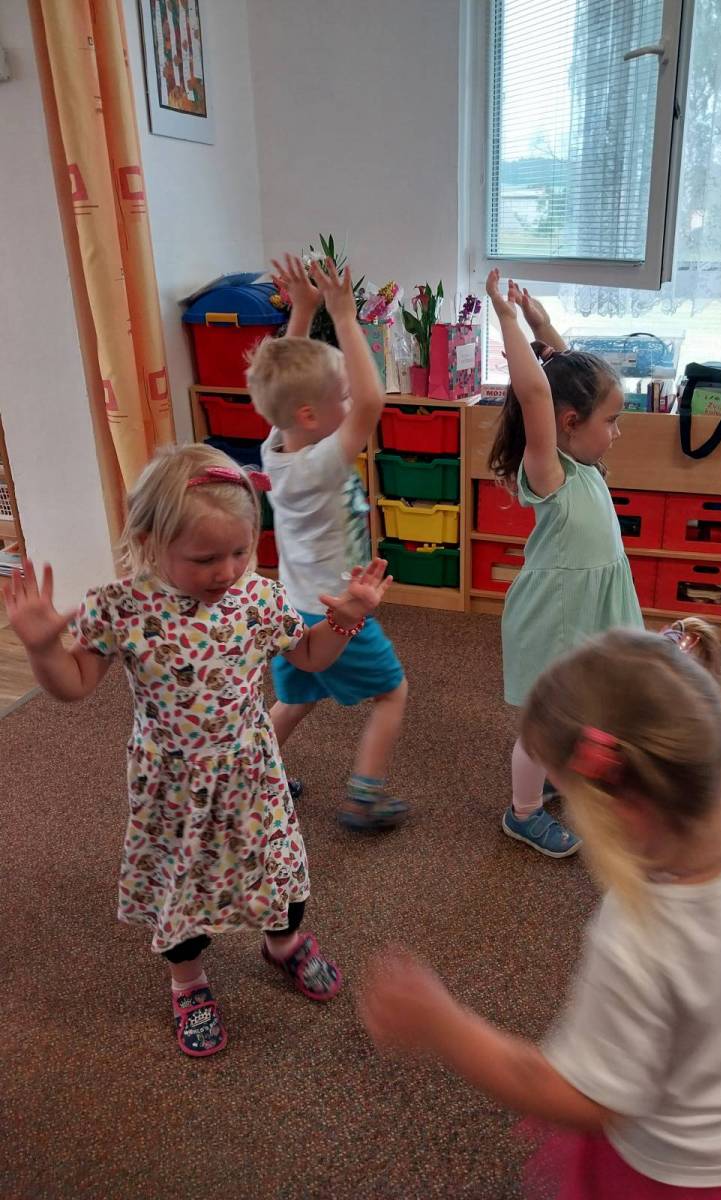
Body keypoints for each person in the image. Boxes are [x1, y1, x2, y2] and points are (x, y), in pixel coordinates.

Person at [359, 633, 721, 1197]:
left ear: (619, 811)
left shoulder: (637, 935)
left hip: (688, 1168)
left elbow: (584, 1098)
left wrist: (444, 1026)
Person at [2, 444, 391, 1057]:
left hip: (253, 771)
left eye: (240, 551)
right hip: (173, 783)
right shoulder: (122, 606)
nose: (226, 570)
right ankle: (187, 980)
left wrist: (346, 620)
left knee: (281, 874)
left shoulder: (259, 599)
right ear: (151, 541)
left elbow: (311, 656)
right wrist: (43, 649)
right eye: (204, 558)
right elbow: (73, 686)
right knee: (180, 890)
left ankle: (283, 945)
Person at [486, 269, 642, 857]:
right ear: (570, 423)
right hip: (555, 615)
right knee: (546, 721)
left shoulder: (584, 462)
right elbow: (536, 393)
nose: (617, 432)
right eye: (611, 421)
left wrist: (539, 319)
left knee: (581, 706)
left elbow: (563, 369)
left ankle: (553, 771)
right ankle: (523, 812)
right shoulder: (550, 470)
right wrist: (505, 317)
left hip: (589, 608)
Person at [249, 254, 408, 831]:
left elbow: (281, 380)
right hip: (335, 612)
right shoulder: (319, 464)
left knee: (296, 698)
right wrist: (342, 313)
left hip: (292, 607)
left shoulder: (277, 446)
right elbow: (371, 403)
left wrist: (302, 310)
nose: (349, 403)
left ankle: (250, 782)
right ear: (311, 415)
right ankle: (365, 796)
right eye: (338, 396)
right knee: (393, 694)